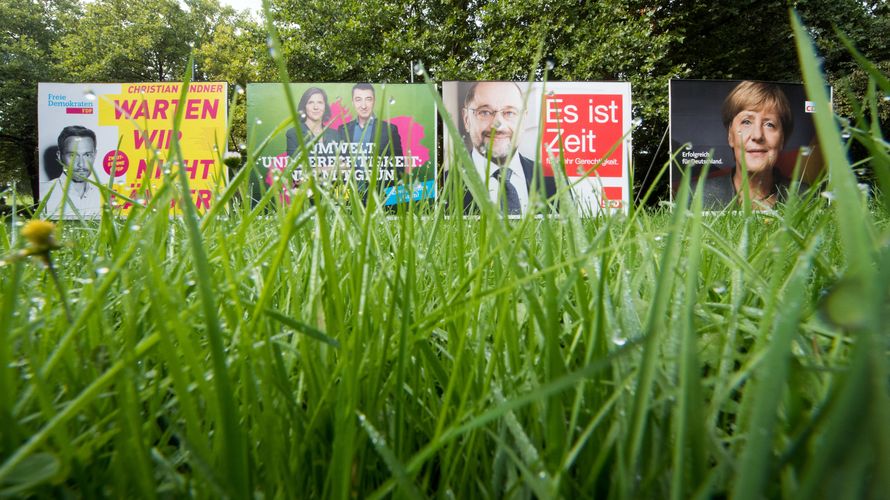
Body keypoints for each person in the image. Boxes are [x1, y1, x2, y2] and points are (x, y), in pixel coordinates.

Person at [696, 80, 807, 209]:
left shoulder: (808, 198)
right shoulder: (694, 197)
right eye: (746, 122)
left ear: (782, 139)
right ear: (730, 136)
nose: (757, 135)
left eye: (769, 124)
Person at [458, 81, 556, 215]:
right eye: (485, 112)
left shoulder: (554, 180)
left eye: (509, 113)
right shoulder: (443, 185)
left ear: (523, 120)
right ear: (466, 120)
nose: (498, 126)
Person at [41, 125, 101, 216]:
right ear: (59, 155)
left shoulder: (104, 196)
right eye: (72, 156)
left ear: (95, 155)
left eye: (87, 155)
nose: (81, 164)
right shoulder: (43, 193)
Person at [286, 87, 343, 157]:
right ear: (304, 107)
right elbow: (296, 166)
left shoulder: (335, 134)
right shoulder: (293, 134)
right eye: (310, 102)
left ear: (325, 106)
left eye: (320, 102)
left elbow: (345, 163)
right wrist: (329, 168)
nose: (316, 107)